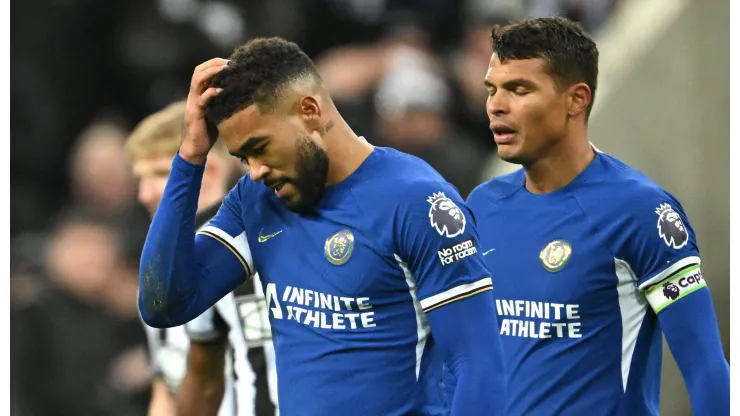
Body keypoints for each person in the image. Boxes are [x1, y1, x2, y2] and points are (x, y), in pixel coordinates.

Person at [137, 37, 505, 416]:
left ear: (310, 110)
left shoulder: (416, 202)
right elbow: (164, 304)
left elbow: (476, 365)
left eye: (260, 146)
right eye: (244, 157)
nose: (256, 170)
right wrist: (190, 158)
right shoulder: (256, 199)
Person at [464, 17, 729, 415]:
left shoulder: (641, 212)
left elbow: (705, 367)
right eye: (492, 89)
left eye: (520, 90)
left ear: (577, 99)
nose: (497, 106)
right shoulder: (483, 206)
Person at [126, 101, 278, 416]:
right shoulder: (159, 270)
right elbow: (165, 384)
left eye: (157, 173)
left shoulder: (255, 245)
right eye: (139, 179)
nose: (144, 194)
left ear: (209, 170)